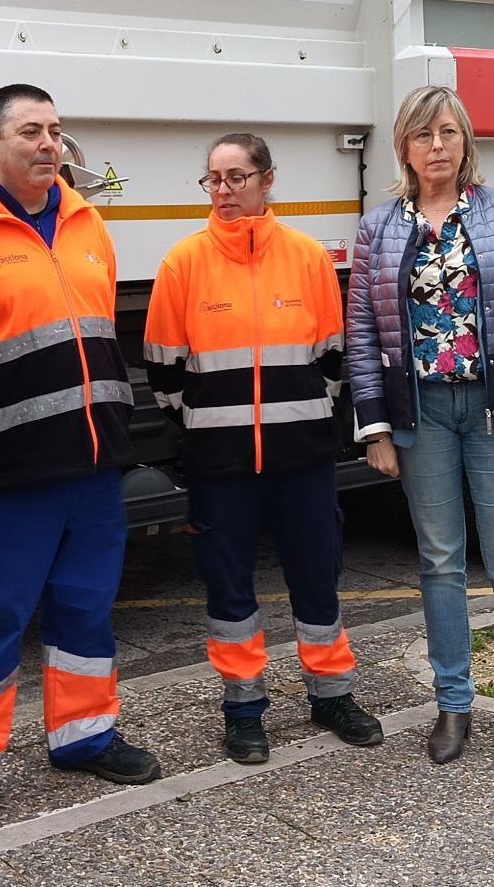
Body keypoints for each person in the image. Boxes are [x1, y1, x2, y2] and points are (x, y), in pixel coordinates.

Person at [0, 84, 162, 833]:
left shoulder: (86, 224)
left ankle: (84, 738)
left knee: (85, 612)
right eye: (29, 132)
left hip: (90, 470)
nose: (47, 144)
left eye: (55, 130)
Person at [345, 85, 494, 769]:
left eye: (447, 132)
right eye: (423, 136)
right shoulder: (379, 227)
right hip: (423, 416)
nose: (437, 146)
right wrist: (375, 428)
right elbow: (360, 332)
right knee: (439, 562)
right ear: (404, 148)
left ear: (465, 139)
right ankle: (453, 705)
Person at [143, 134, 385, 765]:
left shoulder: (307, 258)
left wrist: (291, 418)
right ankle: (244, 708)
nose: (223, 192)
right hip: (220, 466)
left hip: (301, 459)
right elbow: (163, 372)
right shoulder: (183, 263)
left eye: (236, 178)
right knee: (228, 590)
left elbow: (333, 360)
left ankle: (331, 695)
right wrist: (208, 424)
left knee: (318, 579)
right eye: (213, 180)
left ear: (267, 180)